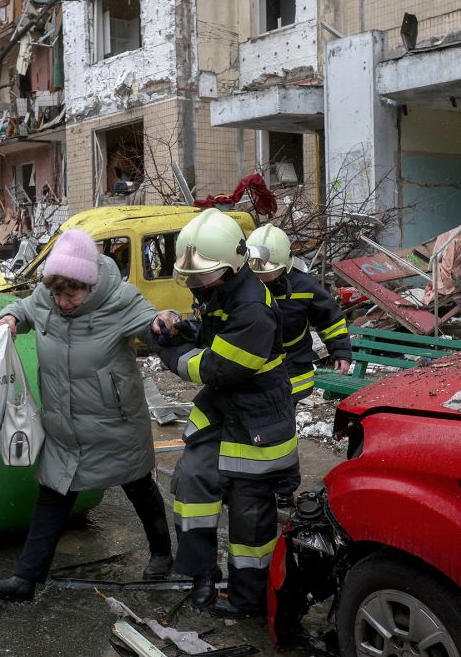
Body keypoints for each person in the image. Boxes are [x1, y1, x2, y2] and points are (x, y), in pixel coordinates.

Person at [0, 228, 172, 602]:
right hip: (63, 425)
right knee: (53, 494)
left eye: (72, 293)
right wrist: (9, 318)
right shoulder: (46, 299)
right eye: (57, 292)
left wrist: (163, 321)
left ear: (89, 282)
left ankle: (162, 552)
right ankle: (25, 580)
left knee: (138, 486)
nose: (63, 301)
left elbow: (152, 324)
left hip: (114, 423)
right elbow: (23, 307)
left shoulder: (119, 300)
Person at [151, 209, 297, 618]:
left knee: (250, 521)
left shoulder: (253, 307)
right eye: (191, 275)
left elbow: (216, 368)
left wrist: (168, 349)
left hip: (256, 425)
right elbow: (215, 337)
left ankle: (248, 600)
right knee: (192, 483)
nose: (195, 283)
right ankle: (201, 575)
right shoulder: (223, 291)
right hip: (223, 416)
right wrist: (179, 328)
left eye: (202, 275)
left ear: (232, 266)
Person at [246, 224, 351, 506]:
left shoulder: (304, 287)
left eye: (266, 270)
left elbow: (329, 318)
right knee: (252, 431)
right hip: (253, 371)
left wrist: (339, 349)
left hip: (292, 372)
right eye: (254, 269)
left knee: (281, 433)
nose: (260, 276)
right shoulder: (246, 283)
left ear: (285, 263)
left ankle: (283, 489)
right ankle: (250, 483)